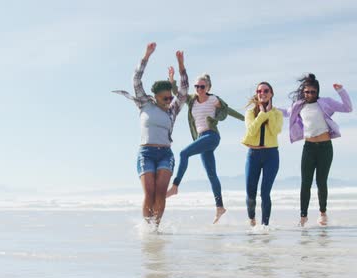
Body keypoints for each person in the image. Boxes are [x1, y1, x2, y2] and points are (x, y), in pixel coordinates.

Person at [112, 42, 188, 227]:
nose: (170, 101)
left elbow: (184, 90)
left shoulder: (173, 110)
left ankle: (155, 228)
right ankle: (147, 227)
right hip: (146, 153)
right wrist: (146, 56)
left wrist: (181, 66)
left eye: (171, 97)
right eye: (166, 98)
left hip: (165, 154)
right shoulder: (144, 104)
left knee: (161, 193)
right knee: (150, 192)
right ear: (156, 97)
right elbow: (136, 80)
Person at [166, 73, 244, 224]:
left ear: (208, 87)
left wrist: (246, 118)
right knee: (212, 175)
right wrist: (172, 81)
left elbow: (228, 110)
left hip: (212, 136)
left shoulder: (214, 99)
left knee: (184, 153)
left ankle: (175, 186)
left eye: (202, 87)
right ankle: (220, 207)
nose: (199, 89)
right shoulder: (191, 100)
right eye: (197, 86)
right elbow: (179, 93)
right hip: (201, 138)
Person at [278, 74, 352, 226]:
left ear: (317, 92)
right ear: (303, 92)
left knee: (321, 181)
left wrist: (341, 91)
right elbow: (285, 112)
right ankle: (303, 216)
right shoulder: (299, 105)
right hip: (309, 148)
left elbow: (348, 108)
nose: (309, 94)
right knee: (305, 182)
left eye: (312, 92)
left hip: (325, 148)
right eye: (307, 92)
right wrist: (267, 106)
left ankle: (322, 213)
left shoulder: (325, 102)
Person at [241, 82, 283, 227]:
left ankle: (265, 226)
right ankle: (252, 221)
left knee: (265, 193)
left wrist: (269, 113)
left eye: (266, 90)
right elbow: (251, 131)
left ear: (271, 94)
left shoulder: (277, 113)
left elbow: (275, 131)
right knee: (250, 193)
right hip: (253, 155)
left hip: (271, 155)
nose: (262, 93)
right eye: (259, 91)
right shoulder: (249, 113)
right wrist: (262, 114)